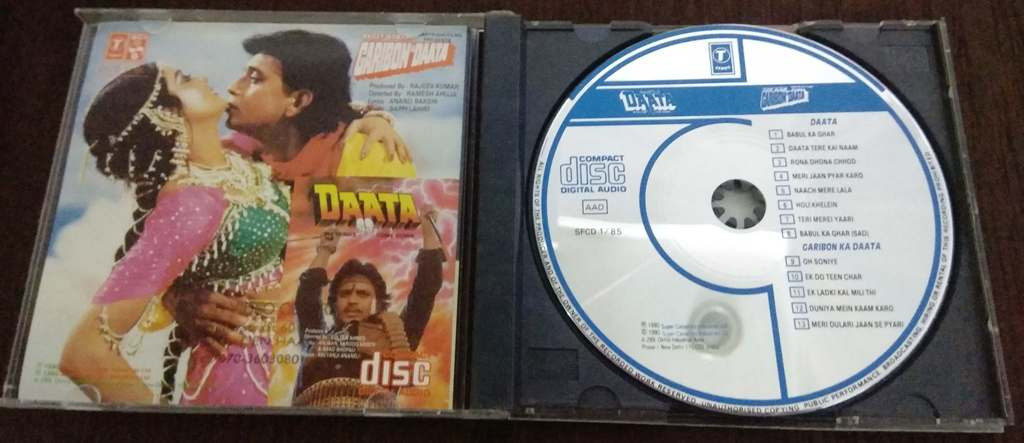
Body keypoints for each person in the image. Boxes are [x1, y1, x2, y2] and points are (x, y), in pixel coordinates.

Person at [163, 29, 417, 357]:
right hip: (236, 352)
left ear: (297, 101)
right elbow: (158, 253)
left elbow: (392, 254)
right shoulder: (226, 160)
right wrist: (174, 296)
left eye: (254, 78)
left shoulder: (366, 151)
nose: (233, 87)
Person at [59, 62, 290, 405]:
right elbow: (83, 354)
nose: (203, 76)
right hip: (240, 379)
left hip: (290, 358)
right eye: (184, 79)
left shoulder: (241, 155)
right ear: (163, 116)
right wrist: (166, 424)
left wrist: (370, 117)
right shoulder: (189, 203)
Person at [290, 212, 444, 407]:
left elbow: (425, 290)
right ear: (335, 303)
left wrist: (428, 228)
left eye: (363, 294)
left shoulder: (395, 334)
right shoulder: (317, 338)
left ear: (377, 303)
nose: (352, 300)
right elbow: (306, 298)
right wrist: (325, 250)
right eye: (345, 294)